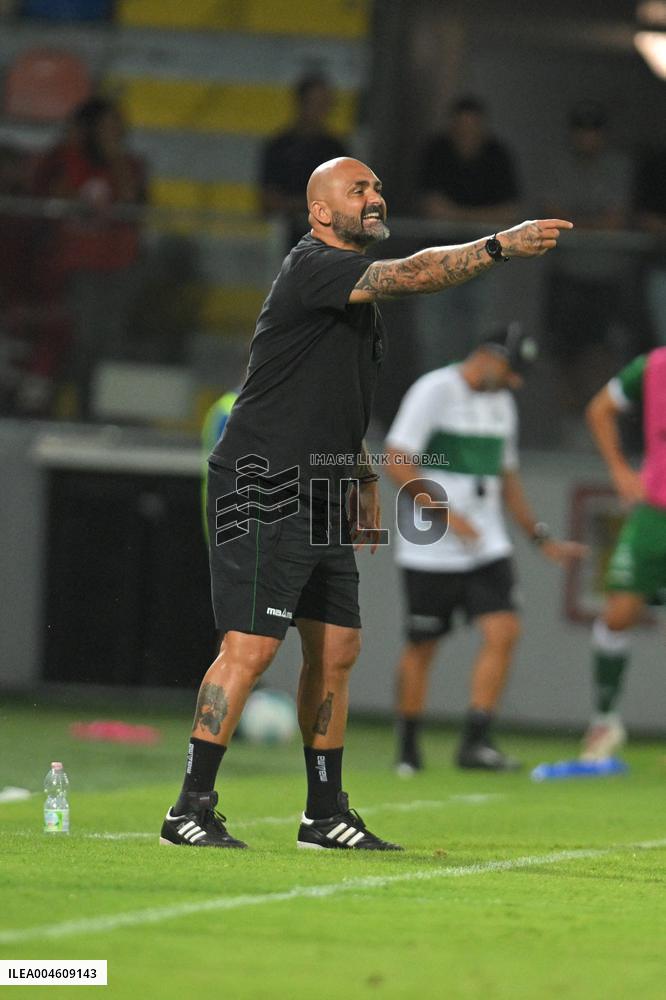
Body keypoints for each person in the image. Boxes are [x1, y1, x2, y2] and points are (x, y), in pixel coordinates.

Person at [159, 154, 573, 850]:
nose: (375, 197)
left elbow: (327, 400)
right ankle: (189, 808)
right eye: (359, 190)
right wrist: (499, 244)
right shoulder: (313, 266)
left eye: (379, 187)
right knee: (253, 647)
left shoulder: (353, 301)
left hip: (320, 487)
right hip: (264, 481)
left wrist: (358, 478)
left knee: (339, 648)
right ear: (321, 212)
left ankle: (324, 815)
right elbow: (413, 272)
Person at [385, 328, 585, 773]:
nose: (516, 381)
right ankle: (408, 746)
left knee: (504, 631)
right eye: (512, 370)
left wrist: (539, 537)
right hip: (432, 546)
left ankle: (476, 741)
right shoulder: (434, 390)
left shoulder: (502, 404)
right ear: (487, 357)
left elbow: (507, 477)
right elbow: (397, 459)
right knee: (423, 644)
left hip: (486, 543)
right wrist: (447, 516)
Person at [33, 97, 147, 418]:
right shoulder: (66, 161)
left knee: (110, 344)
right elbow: (57, 195)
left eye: (118, 126)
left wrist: (116, 159)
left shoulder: (132, 165)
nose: (115, 132)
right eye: (107, 125)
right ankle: (74, 410)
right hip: (77, 268)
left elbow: (130, 201)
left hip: (117, 267)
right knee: (82, 342)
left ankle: (104, 413)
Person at [580, 349, 666, 760]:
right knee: (617, 614)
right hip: (654, 513)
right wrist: (618, 469)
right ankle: (604, 721)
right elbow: (600, 408)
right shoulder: (653, 367)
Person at [543, 100, 634, 418]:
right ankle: (569, 424)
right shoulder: (560, 165)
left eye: (593, 131)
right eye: (581, 131)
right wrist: (590, 221)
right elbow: (554, 216)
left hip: (604, 276)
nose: (587, 138)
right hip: (566, 274)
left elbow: (616, 220)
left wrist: (577, 221)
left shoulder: (617, 166)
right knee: (563, 353)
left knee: (601, 353)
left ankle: (595, 422)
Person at [259, 73, 347, 249]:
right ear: (301, 103)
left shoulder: (336, 149)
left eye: (325, 104)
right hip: (284, 238)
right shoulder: (279, 147)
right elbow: (268, 200)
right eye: (316, 104)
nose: (322, 110)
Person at [419, 96, 521, 226]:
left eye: (472, 129)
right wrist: (485, 216)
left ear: (482, 129)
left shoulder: (497, 155)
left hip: (488, 241)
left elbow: (510, 212)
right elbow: (430, 208)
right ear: (452, 128)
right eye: (461, 130)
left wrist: (455, 215)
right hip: (441, 242)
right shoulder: (437, 152)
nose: (467, 135)